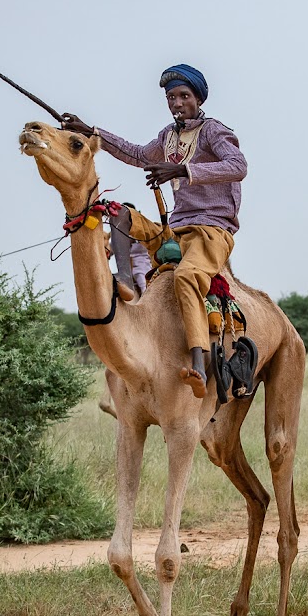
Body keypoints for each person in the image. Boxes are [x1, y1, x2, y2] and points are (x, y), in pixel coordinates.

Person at [61, 64, 247, 398]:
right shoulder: (168, 137)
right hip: (174, 228)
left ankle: (200, 363)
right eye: (171, 97)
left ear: (197, 98)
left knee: (187, 277)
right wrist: (92, 132)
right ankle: (126, 283)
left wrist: (181, 169)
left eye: (184, 96)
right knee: (119, 214)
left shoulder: (213, 132)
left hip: (211, 229)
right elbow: (135, 153)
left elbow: (238, 166)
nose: (177, 103)